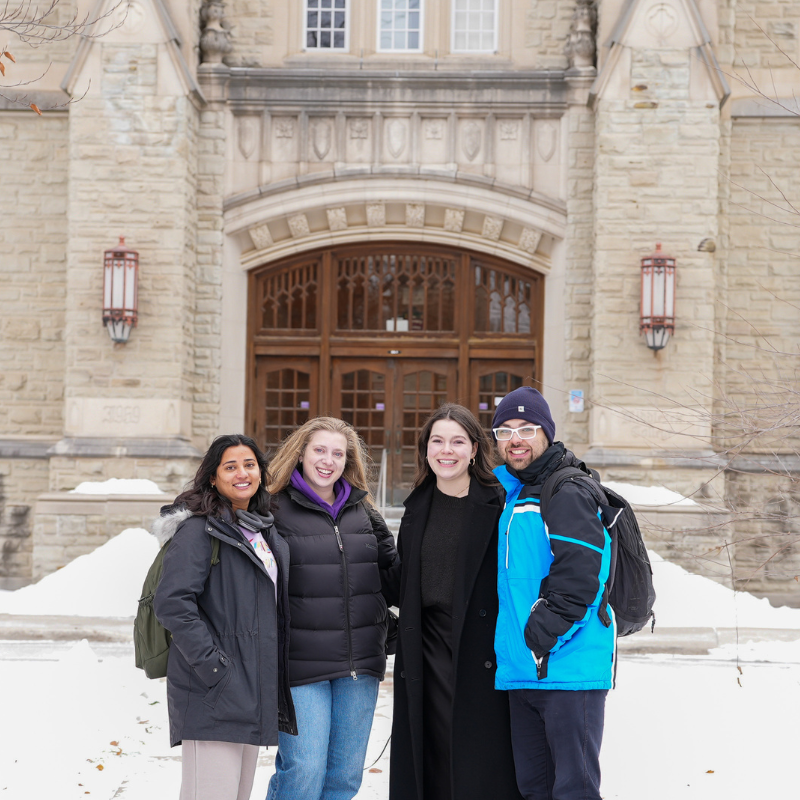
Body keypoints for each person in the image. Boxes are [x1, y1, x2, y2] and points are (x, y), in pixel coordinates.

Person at [390, 403, 523, 800]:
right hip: (424, 647)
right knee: (428, 756)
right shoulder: (416, 506)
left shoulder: (500, 505)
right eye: (437, 441)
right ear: (426, 449)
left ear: (475, 450)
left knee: (477, 765)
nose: (446, 450)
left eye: (457, 441)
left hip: (478, 647)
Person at [153, 434, 296, 800]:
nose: (241, 474)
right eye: (230, 467)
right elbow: (172, 602)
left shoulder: (260, 530)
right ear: (213, 478)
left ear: (261, 474)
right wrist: (215, 669)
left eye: (249, 465)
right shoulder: (198, 530)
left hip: (249, 690)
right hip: (213, 691)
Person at [264, 417, 400, 800]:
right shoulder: (273, 509)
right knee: (303, 770)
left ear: (348, 460)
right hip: (300, 663)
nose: (328, 460)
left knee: (344, 777)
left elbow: (393, 579)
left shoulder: (365, 512)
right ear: (300, 454)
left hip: (360, 664)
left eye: (338, 453)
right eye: (319, 450)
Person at [491, 386, 615, 800]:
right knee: (536, 790)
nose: (515, 440)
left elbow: (582, 574)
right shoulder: (514, 491)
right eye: (504, 431)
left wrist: (541, 637)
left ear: (546, 431)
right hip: (528, 672)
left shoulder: (565, 489)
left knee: (573, 790)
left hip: (568, 670)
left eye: (526, 428)